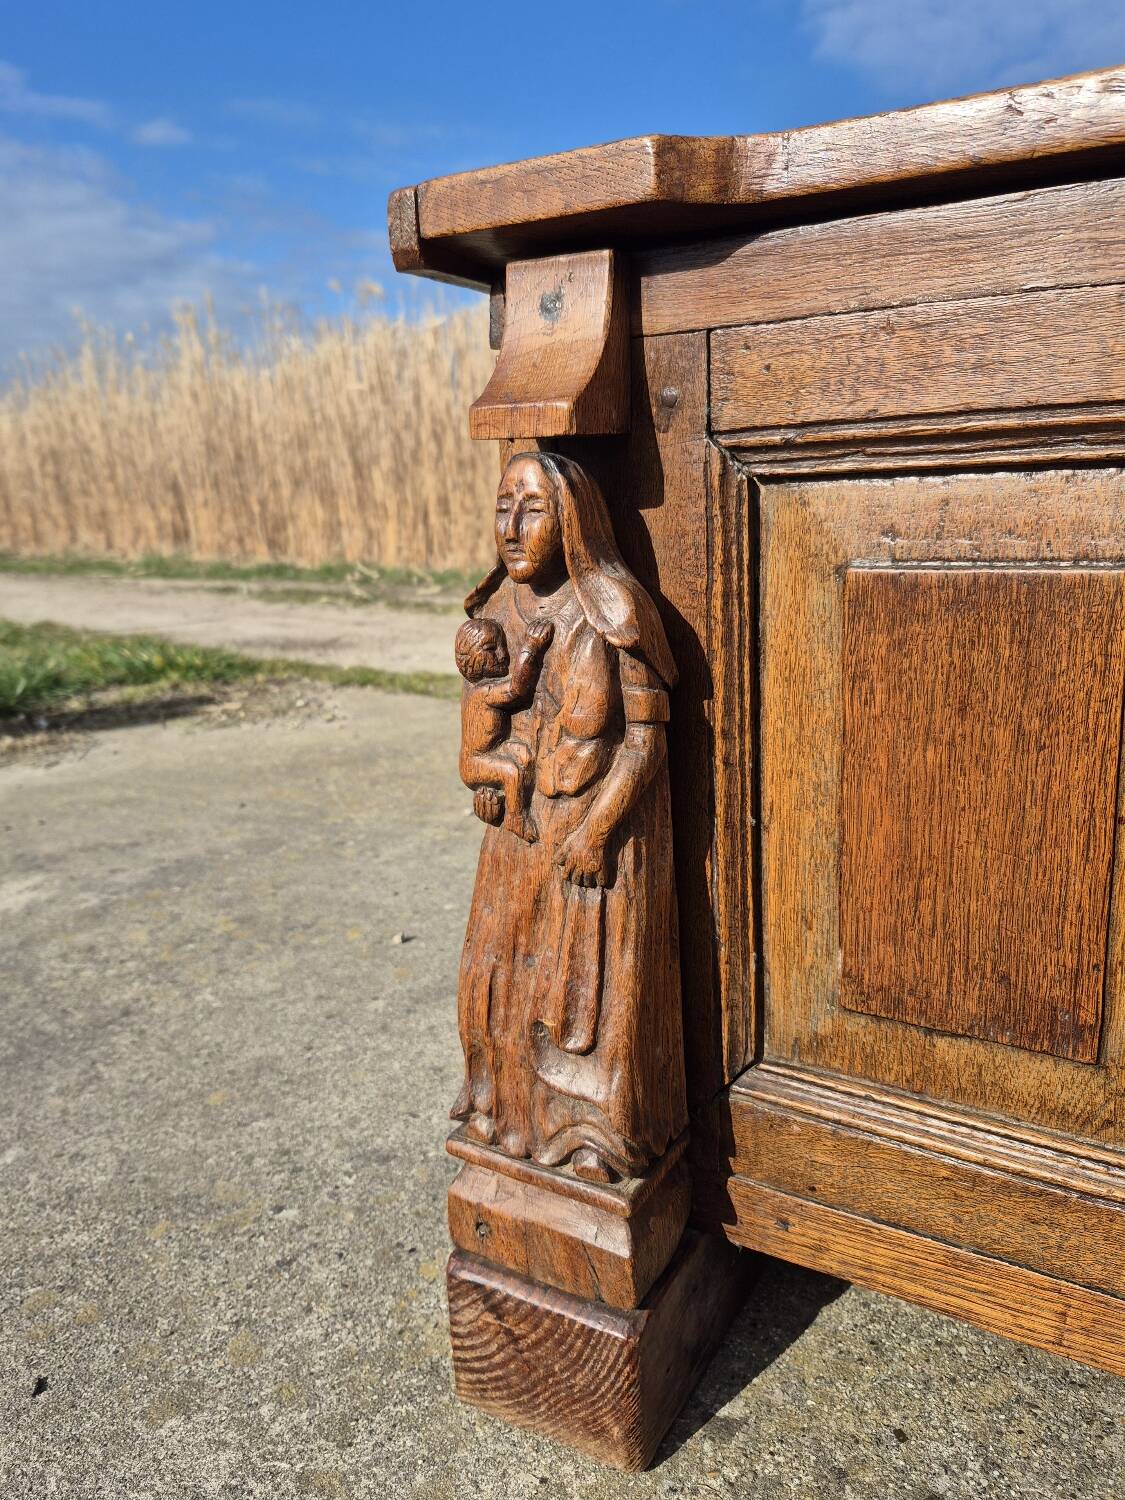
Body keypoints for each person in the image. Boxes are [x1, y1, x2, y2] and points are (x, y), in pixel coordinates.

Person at [450, 450, 687, 1184]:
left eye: (533, 510)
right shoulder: (495, 612)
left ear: (573, 520)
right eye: (502, 508)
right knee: (494, 975)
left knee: (584, 999)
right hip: (521, 839)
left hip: (594, 840)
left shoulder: (609, 607)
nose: (512, 528)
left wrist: (599, 827)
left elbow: (647, 736)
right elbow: (486, 725)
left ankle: (588, 1142)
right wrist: (491, 782)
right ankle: (499, 1110)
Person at [454, 614, 553, 844]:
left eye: (502, 646)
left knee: (525, 757)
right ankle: (516, 819)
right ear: (469, 658)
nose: (503, 655)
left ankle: (508, 798)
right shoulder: (482, 692)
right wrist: (531, 647)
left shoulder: (476, 686)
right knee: (512, 772)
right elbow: (517, 690)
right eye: (491, 649)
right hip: (475, 762)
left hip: (489, 752)